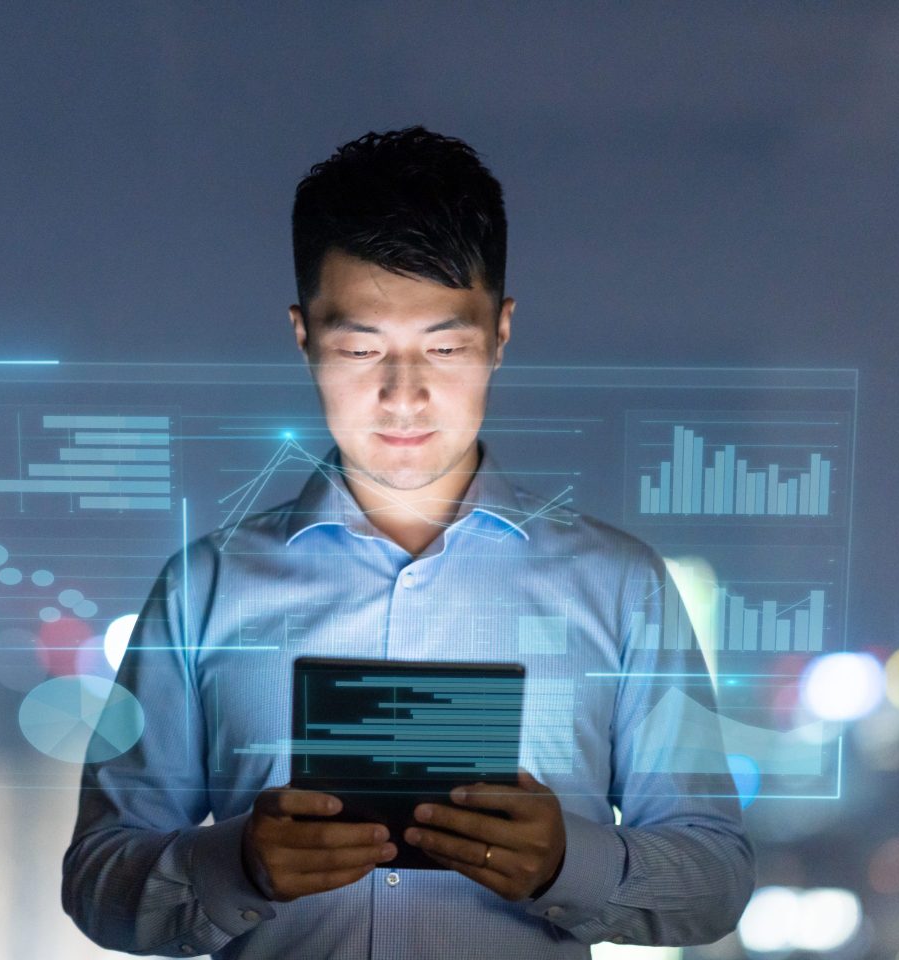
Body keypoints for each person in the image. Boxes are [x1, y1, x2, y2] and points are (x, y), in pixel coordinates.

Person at [62, 126, 755, 958]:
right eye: (360, 348)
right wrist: (235, 863)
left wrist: (570, 863)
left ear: (501, 334)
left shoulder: (619, 586)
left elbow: (716, 876)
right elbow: (97, 875)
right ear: (303, 336)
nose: (403, 396)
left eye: (446, 347)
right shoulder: (206, 587)